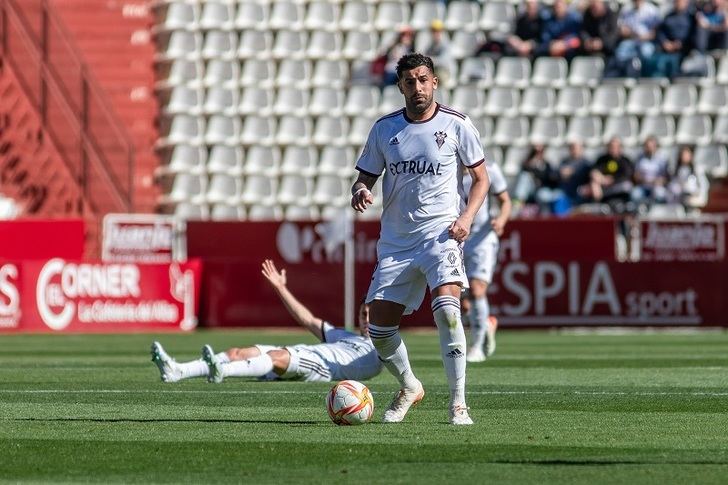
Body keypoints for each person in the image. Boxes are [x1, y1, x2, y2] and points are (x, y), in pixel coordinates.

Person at [350, 53, 490, 425]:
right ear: (400, 86)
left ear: (435, 82)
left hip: (440, 235)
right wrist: (360, 190)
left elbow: (481, 180)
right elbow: (365, 177)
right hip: (396, 241)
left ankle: (458, 403)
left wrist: (466, 217)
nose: (418, 87)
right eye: (410, 82)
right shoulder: (384, 129)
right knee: (378, 329)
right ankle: (410, 385)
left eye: (423, 79)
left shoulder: (457, 125)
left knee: (447, 310)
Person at [151, 259, 382, 384]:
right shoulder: (344, 335)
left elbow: (393, 358)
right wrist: (281, 288)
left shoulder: (382, 347)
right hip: (301, 352)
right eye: (364, 314)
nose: (367, 319)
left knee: (275, 357)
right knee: (237, 353)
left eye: (372, 315)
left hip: (321, 368)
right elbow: (307, 319)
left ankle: (223, 372)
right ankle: (178, 371)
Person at [461, 159, 511, 363]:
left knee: (476, 289)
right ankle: (486, 324)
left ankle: (477, 346)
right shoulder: (445, 166)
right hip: (456, 237)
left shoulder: (488, 169)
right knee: (461, 302)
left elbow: (505, 201)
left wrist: (501, 220)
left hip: (482, 237)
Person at [607, 0, 662, 77]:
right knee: (620, 52)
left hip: (647, 42)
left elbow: (657, 30)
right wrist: (631, 33)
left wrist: (646, 36)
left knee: (646, 52)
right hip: (630, 40)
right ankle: (624, 76)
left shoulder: (652, 10)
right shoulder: (626, 9)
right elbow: (622, 29)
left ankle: (645, 77)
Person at [586, 137, 635, 210]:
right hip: (604, 186)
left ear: (620, 148)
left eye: (615, 147)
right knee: (591, 186)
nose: (612, 149)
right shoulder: (602, 159)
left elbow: (627, 175)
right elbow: (594, 172)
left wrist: (611, 180)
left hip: (618, 186)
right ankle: (598, 207)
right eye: (610, 146)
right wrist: (602, 180)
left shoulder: (625, 160)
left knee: (626, 186)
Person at [632, 136, 670, 204]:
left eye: (651, 146)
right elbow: (635, 175)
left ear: (656, 147)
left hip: (657, 186)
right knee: (635, 195)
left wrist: (658, 181)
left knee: (660, 195)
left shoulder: (662, 159)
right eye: (647, 146)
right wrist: (644, 180)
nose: (649, 149)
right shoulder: (639, 158)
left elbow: (666, 177)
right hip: (643, 185)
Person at [423, 19, 455, 87]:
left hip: (446, 72)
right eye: (434, 31)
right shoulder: (431, 45)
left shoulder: (446, 44)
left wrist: (430, 59)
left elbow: (443, 61)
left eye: (438, 31)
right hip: (435, 71)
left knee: (438, 75)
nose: (436, 33)